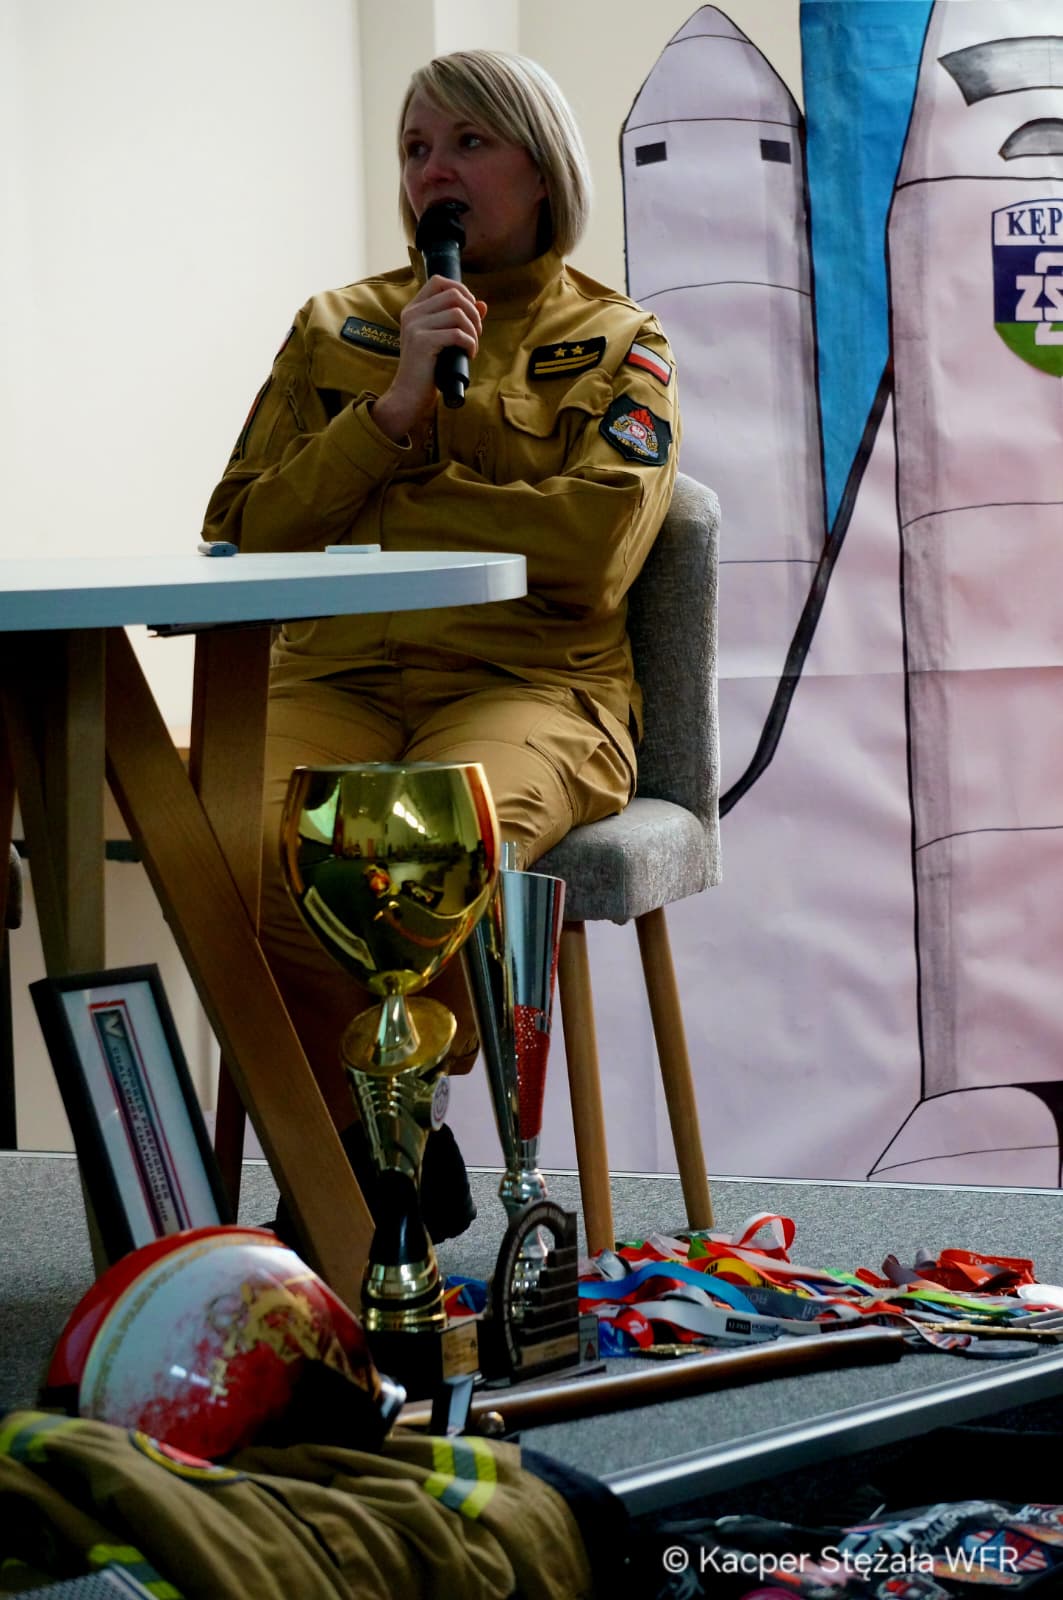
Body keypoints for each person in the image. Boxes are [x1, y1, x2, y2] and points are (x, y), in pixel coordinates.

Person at [200, 50, 680, 1238]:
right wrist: (388, 413)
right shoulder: (336, 327)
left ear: (539, 168)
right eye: (416, 149)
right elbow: (243, 531)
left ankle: (351, 1180)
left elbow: (596, 547)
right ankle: (380, 1145)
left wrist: (390, 502)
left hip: (530, 686)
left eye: (467, 143)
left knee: (425, 837)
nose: (434, 172)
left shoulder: (619, 341)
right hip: (335, 673)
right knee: (226, 844)